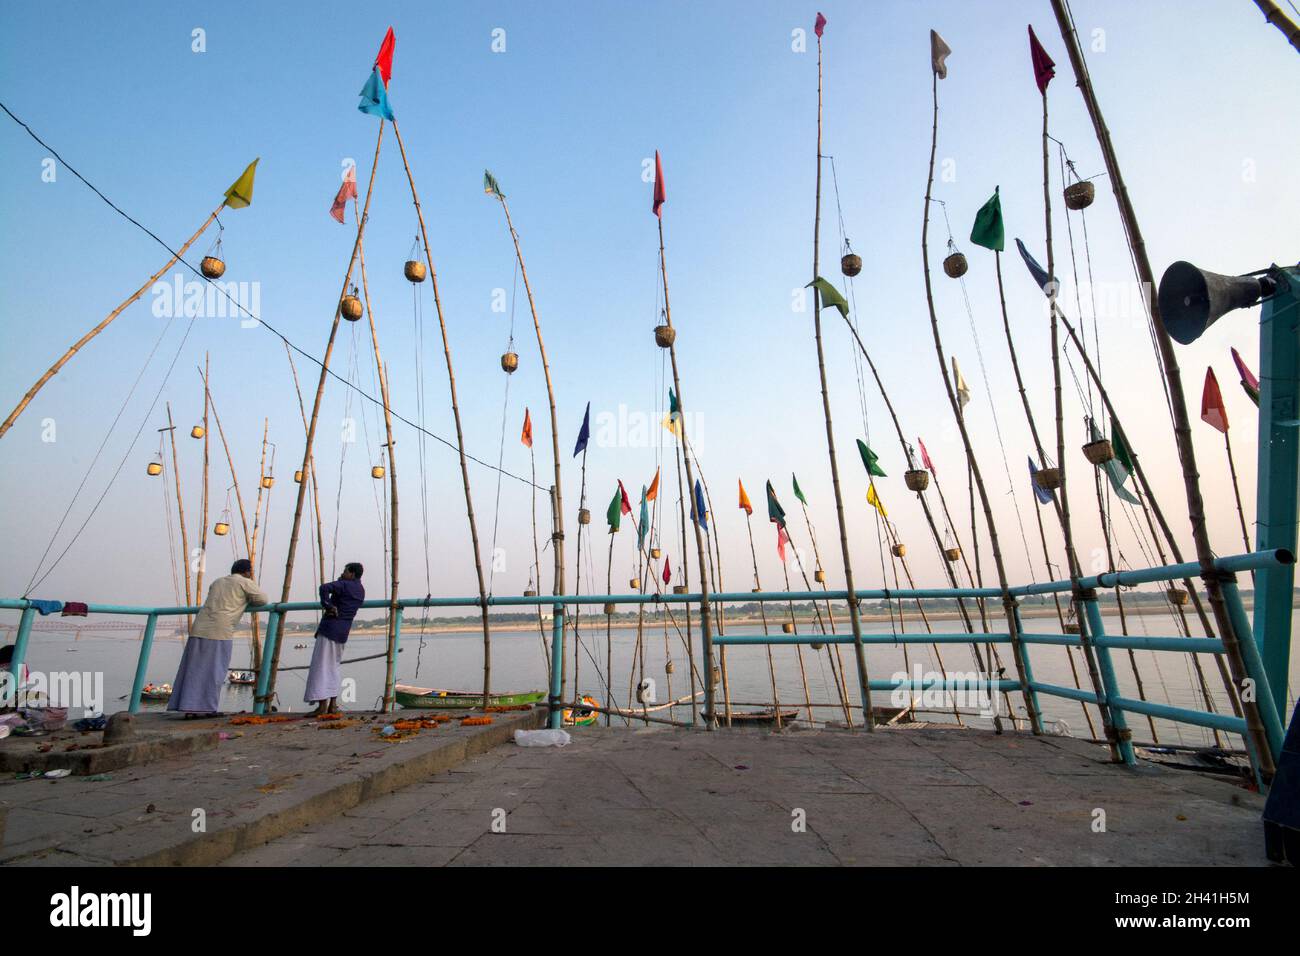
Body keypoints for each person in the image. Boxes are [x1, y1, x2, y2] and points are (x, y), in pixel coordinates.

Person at [168, 559, 267, 716]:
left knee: (193, 670)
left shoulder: (218, 581)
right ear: (247, 572)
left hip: (200, 626)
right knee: (215, 671)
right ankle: (205, 708)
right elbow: (263, 600)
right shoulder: (245, 582)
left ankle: (188, 707)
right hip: (220, 630)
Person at [305, 563, 365, 716]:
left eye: (345, 571)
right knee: (333, 667)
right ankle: (332, 704)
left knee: (321, 667)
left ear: (352, 574)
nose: (342, 573)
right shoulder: (360, 589)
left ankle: (322, 706)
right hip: (342, 632)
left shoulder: (344, 585)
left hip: (330, 629)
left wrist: (328, 605)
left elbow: (324, 588)